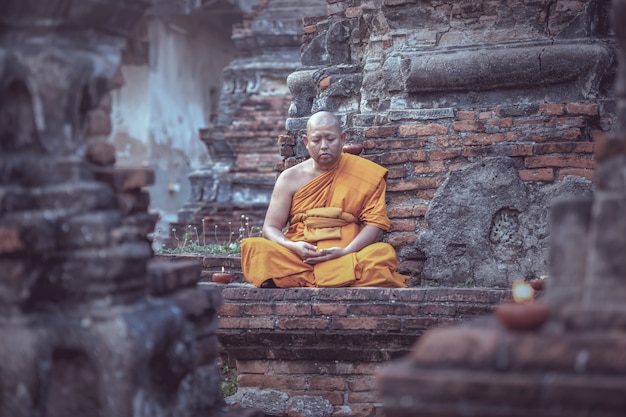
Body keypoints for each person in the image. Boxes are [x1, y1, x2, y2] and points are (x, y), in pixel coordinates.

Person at [241, 111, 409, 288]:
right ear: (306, 142)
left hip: (347, 255)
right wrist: (292, 246)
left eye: (330, 139)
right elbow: (270, 227)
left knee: (383, 253)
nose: (324, 146)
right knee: (255, 249)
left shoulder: (367, 173)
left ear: (342, 138)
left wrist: (346, 251)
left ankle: (298, 278)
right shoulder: (289, 178)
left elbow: (375, 224)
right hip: (300, 258)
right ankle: (337, 278)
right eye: (316, 140)